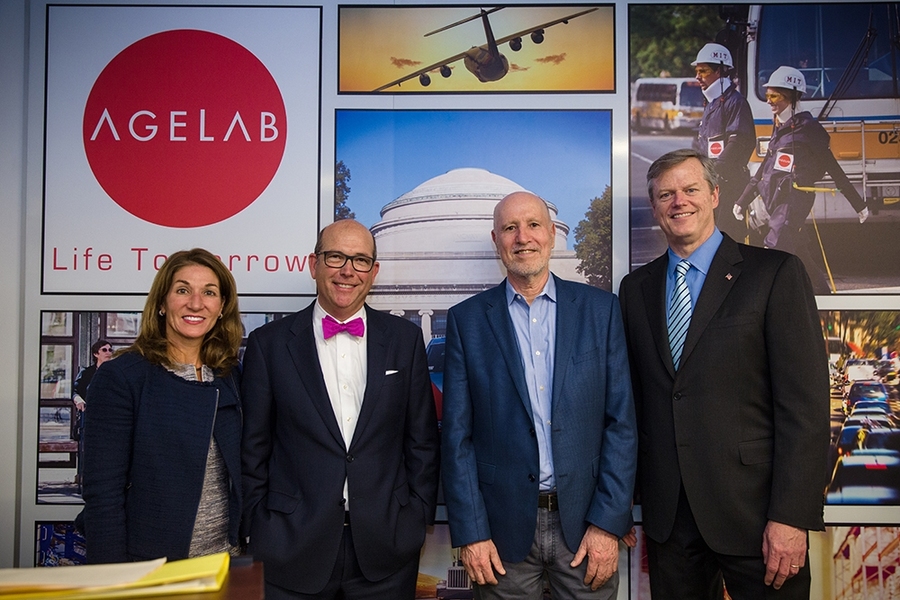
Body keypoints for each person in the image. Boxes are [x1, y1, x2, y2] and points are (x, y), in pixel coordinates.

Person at [619, 149, 830, 599]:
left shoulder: (774, 274)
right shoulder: (635, 289)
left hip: (757, 516)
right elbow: (634, 402)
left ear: (714, 194)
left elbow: (805, 407)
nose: (679, 202)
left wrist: (791, 516)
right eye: (665, 195)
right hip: (670, 521)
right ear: (655, 207)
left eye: (691, 189)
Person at [441, 191, 637, 599]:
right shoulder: (468, 321)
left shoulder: (601, 311)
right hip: (501, 535)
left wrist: (608, 523)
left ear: (551, 234)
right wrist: (472, 533)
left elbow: (621, 424)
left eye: (533, 225)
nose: (522, 237)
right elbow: (457, 438)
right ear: (496, 239)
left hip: (586, 527)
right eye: (510, 228)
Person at [241, 219, 440, 600]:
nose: (348, 270)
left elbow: (422, 441)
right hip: (290, 547)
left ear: (374, 271)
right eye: (336, 257)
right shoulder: (269, 344)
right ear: (314, 265)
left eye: (361, 260)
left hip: (387, 549)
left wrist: (415, 519)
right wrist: (258, 525)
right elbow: (254, 446)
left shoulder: (405, 339)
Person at [81, 248, 244, 563]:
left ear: (222, 307)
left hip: (226, 562)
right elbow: (103, 496)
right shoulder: (122, 376)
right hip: (150, 567)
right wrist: (116, 581)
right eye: (182, 290)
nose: (196, 303)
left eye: (209, 292)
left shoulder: (229, 374)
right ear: (160, 303)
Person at [734, 66, 869, 293]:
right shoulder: (779, 127)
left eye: (774, 96)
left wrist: (859, 204)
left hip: (795, 199)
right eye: (768, 95)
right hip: (776, 198)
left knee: (774, 247)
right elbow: (763, 171)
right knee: (800, 253)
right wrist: (742, 200)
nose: (769, 101)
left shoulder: (810, 130)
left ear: (793, 97)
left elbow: (833, 168)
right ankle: (822, 293)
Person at [690, 42, 755, 241]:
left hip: (729, 185)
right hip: (714, 183)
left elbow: (738, 142)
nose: (697, 77)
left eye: (703, 71)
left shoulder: (736, 102)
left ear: (719, 71)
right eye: (697, 71)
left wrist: (712, 172)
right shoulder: (712, 103)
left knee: (729, 238)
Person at [71, 338, 112, 491]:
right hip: (89, 419)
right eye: (104, 350)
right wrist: (79, 401)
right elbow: (75, 391)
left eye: (110, 350)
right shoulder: (87, 372)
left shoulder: (114, 372)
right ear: (96, 354)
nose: (108, 353)